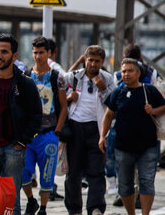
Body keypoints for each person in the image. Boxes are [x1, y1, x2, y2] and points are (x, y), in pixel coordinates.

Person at [0, 33, 42, 215]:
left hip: (14, 148)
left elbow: (36, 115)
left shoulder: (25, 84)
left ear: (14, 55)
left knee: (10, 200)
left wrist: (21, 141)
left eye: (4, 52)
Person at [100, 58, 165, 215]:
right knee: (125, 185)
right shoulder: (118, 92)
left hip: (148, 146)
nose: (126, 74)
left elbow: (163, 106)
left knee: (147, 182)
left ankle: (145, 213)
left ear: (138, 73)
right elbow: (108, 115)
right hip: (123, 146)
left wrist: (153, 111)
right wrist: (102, 136)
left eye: (130, 71)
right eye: (123, 71)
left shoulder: (149, 90)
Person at [64, 45, 116, 215]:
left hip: (97, 129)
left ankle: (95, 208)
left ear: (102, 62)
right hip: (75, 127)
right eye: (90, 60)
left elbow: (114, 104)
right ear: (85, 60)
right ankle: (74, 209)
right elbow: (58, 101)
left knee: (96, 171)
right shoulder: (73, 77)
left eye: (97, 61)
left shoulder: (107, 79)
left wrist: (103, 89)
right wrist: (68, 97)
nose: (93, 64)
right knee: (73, 173)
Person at [21, 37, 68, 215]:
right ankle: (31, 200)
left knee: (47, 174)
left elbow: (63, 107)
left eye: (41, 52)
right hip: (29, 134)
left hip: (49, 133)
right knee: (25, 172)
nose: (38, 56)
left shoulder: (57, 77)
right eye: (35, 52)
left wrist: (57, 131)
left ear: (48, 53)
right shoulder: (25, 76)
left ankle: (43, 207)